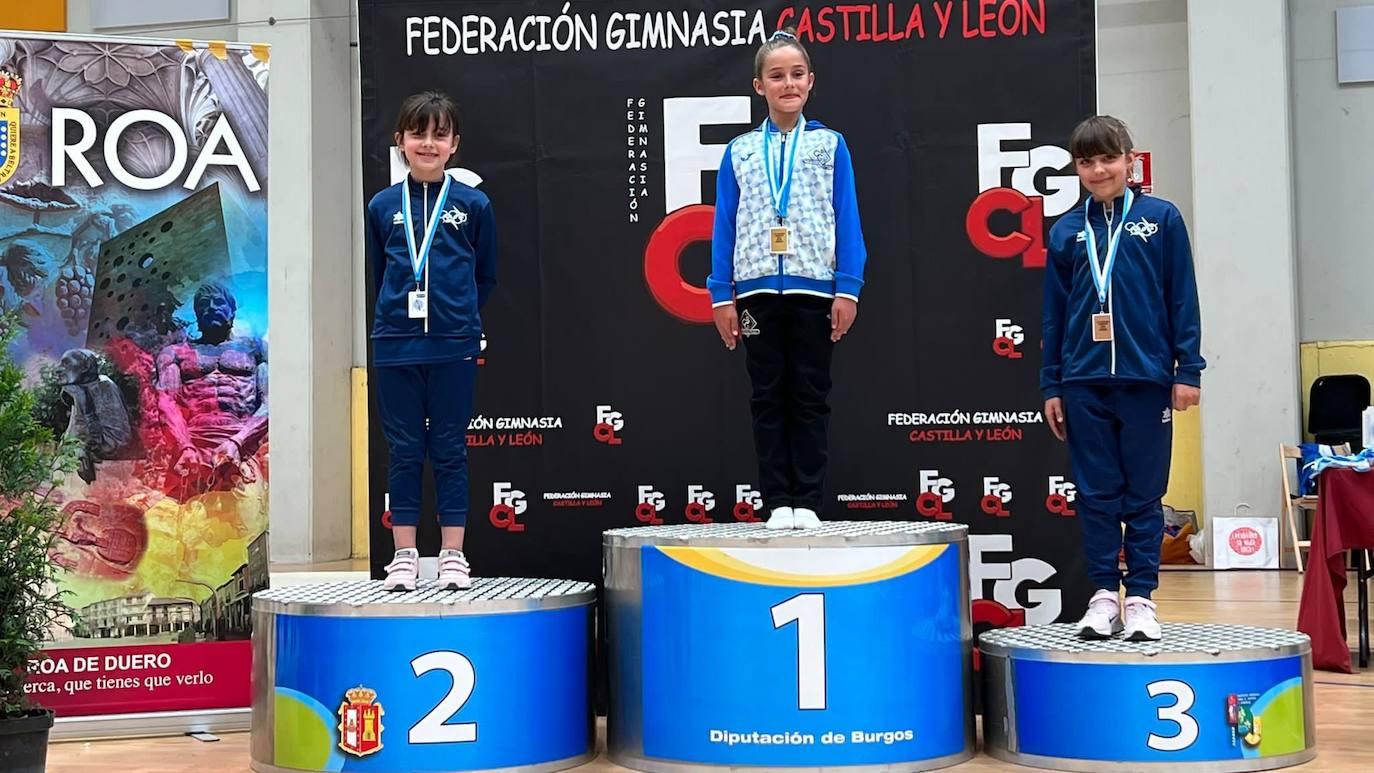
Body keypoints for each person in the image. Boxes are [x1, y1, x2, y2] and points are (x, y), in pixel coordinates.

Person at [1041, 115, 1204, 641]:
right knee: (1095, 495)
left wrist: (1188, 369)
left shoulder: (1161, 219)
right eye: (1086, 161)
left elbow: (1182, 297)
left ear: (1131, 161)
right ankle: (1104, 597)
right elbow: (1054, 314)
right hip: (1083, 381)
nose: (1098, 170)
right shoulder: (1066, 230)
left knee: (1144, 495)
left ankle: (1141, 600)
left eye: (1108, 158)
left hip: (1146, 378)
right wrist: (1052, 384)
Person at [707, 29, 867, 531]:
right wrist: (721, 295)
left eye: (797, 74)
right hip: (755, 290)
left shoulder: (829, 145)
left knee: (810, 395)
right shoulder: (739, 151)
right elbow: (724, 223)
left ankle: (809, 501)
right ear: (760, 86)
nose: (788, 84)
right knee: (768, 395)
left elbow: (847, 217)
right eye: (777, 76)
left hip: (815, 288)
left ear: (811, 81)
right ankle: (777, 499)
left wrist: (848, 287)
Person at [365, 91, 497, 591]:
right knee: (403, 450)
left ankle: (452, 555)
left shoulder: (473, 204)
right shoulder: (382, 206)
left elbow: (486, 275)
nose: (428, 143)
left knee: (449, 449)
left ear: (454, 144)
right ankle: (404, 555)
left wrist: (457, 318)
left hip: (453, 345)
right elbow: (380, 273)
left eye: (439, 135)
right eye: (418, 133)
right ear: (400, 140)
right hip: (395, 345)